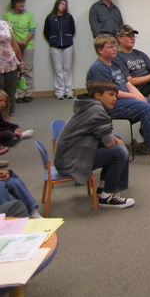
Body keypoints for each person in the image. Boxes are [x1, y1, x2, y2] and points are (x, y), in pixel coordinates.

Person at [86, 35, 150, 165]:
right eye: (110, 47)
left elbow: (127, 84)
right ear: (100, 50)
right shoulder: (99, 68)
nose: (114, 49)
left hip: (125, 99)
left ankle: (142, 141)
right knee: (147, 108)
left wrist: (140, 97)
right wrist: (136, 98)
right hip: (111, 104)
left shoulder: (115, 63)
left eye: (114, 46)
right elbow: (110, 94)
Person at [54, 81, 134, 209]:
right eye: (111, 95)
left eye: (116, 95)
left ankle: (103, 187)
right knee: (120, 151)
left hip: (69, 156)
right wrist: (118, 142)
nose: (115, 99)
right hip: (72, 161)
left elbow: (104, 135)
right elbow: (108, 143)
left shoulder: (89, 107)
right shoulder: (96, 111)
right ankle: (107, 196)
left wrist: (116, 140)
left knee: (117, 141)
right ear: (98, 96)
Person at [4, 0, 35, 103]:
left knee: (27, 69)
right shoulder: (7, 15)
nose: (22, 4)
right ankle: (19, 94)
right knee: (16, 71)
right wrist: (16, 42)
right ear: (14, 3)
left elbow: (32, 30)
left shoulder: (29, 15)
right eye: (20, 2)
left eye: (23, 2)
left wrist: (24, 42)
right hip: (13, 46)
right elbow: (7, 31)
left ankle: (28, 93)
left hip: (28, 45)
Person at [43, 0, 76, 100]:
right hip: (54, 46)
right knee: (58, 70)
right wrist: (52, 40)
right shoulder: (50, 17)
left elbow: (73, 30)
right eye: (62, 4)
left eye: (65, 4)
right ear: (57, 4)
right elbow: (46, 31)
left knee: (67, 70)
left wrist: (67, 37)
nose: (64, 6)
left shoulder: (69, 17)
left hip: (68, 45)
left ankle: (69, 91)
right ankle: (59, 92)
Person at [0, 18, 23, 117]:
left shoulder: (5, 24)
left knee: (10, 94)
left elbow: (13, 43)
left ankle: (8, 120)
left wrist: (21, 61)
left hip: (10, 63)